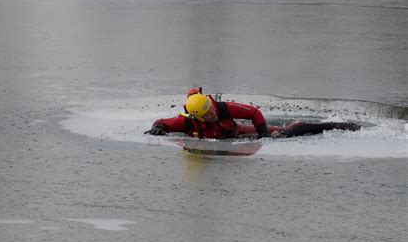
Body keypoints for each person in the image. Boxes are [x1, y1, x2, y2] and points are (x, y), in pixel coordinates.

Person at [144, 88, 360, 139]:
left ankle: (338, 125)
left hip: (239, 133)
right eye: (208, 114)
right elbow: (162, 123)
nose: (213, 114)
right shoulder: (186, 123)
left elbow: (255, 113)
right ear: (198, 117)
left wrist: (263, 136)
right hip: (226, 138)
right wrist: (157, 129)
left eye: (211, 109)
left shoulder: (222, 108)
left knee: (289, 132)